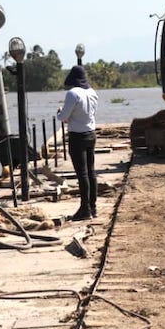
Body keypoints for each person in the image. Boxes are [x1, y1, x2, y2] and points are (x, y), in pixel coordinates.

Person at [57, 64, 99, 220]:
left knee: (82, 174)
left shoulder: (72, 93)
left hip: (77, 136)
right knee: (91, 171)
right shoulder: (93, 92)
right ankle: (93, 208)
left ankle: (85, 209)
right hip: (91, 134)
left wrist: (60, 111)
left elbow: (63, 117)